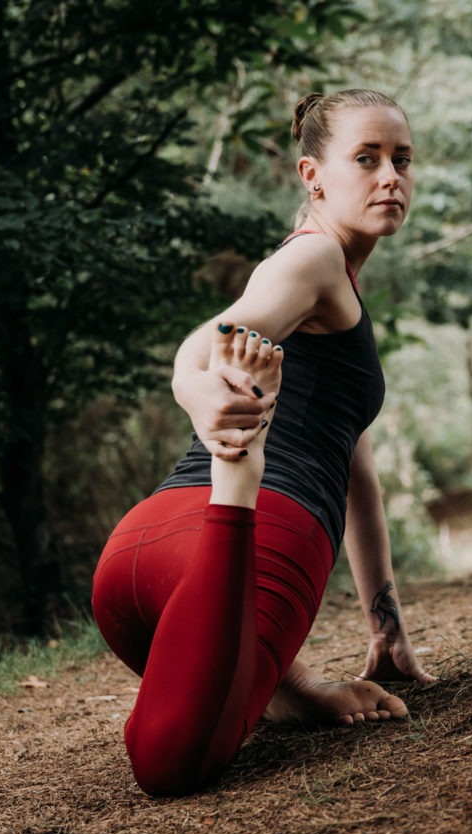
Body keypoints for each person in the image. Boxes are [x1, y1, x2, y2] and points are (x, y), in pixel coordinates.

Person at [91, 89, 437, 796]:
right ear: (313, 177)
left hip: (141, 557)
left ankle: (284, 684)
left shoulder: (333, 286)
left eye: (401, 159)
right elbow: (213, 338)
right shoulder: (310, 262)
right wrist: (198, 391)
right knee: (172, 767)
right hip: (247, 538)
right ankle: (237, 473)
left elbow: (355, 473)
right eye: (365, 159)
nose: (390, 177)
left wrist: (386, 625)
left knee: (227, 694)